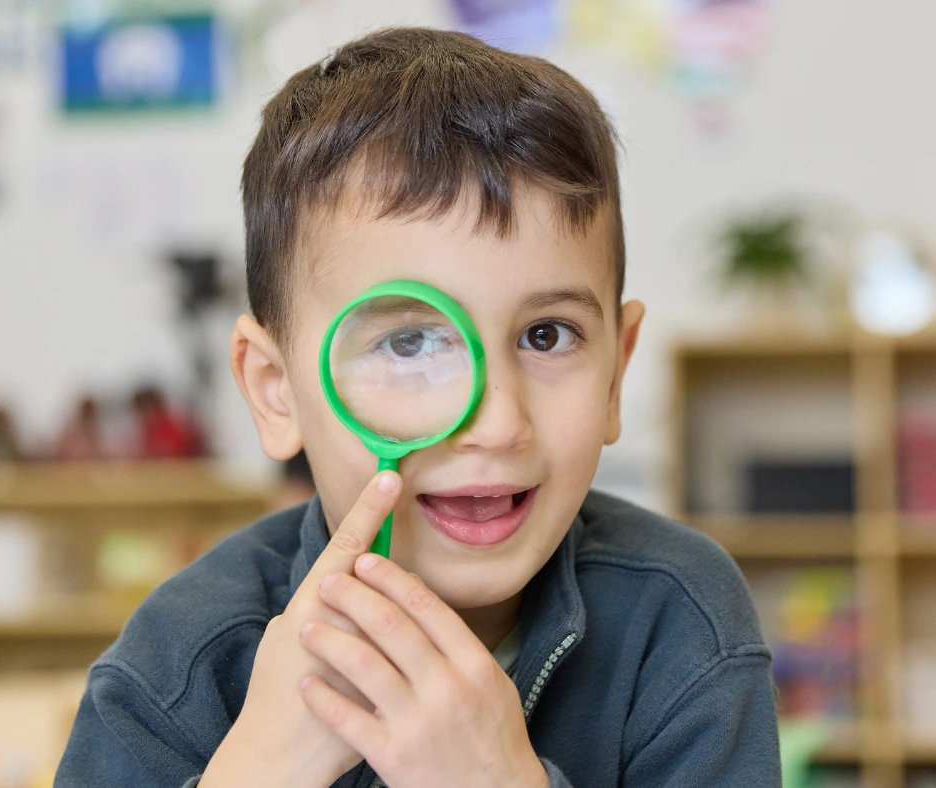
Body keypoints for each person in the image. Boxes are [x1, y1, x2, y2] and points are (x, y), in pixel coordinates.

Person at [56, 27, 780, 787]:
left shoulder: (679, 619)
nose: (498, 424)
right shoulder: (181, 662)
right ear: (276, 392)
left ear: (614, 375)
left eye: (546, 334)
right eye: (407, 345)